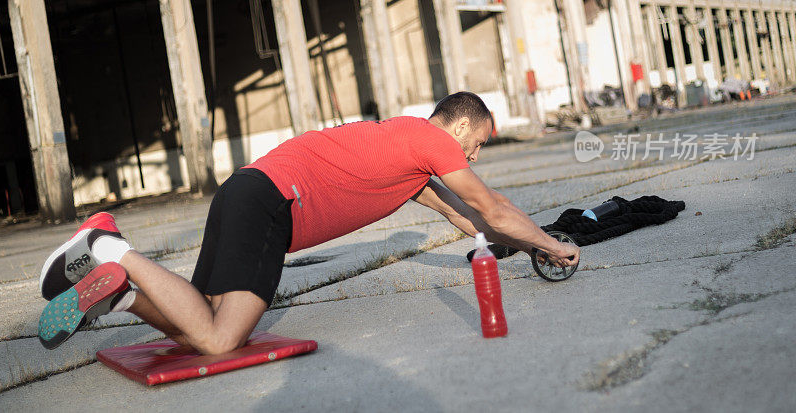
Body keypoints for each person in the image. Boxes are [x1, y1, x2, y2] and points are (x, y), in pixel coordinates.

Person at [38, 92, 579, 352]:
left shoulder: (404, 151)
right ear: (459, 125)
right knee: (222, 339)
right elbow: (492, 206)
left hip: (242, 192)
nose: (476, 157)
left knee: (193, 322)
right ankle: (109, 247)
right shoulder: (432, 142)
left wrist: (528, 247)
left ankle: (114, 294)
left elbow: (471, 219)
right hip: (272, 204)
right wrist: (557, 245)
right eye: (479, 143)